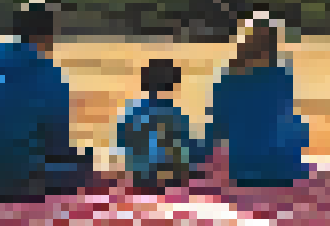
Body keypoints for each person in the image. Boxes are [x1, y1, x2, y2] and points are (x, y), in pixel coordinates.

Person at [0, 0, 96, 201]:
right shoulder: (50, 76)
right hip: (20, 184)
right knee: (86, 162)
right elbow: (57, 145)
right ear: (47, 35)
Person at [195, 12, 313, 187]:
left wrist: (203, 156)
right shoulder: (281, 73)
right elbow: (285, 116)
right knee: (299, 124)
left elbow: (217, 124)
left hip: (243, 164)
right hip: (282, 165)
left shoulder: (227, 74)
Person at [114, 58, 197, 192]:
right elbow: (189, 149)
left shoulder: (133, 113)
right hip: (171, 180)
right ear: (172, 83)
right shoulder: (176, 115)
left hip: (140, 178)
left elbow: (122, 141)